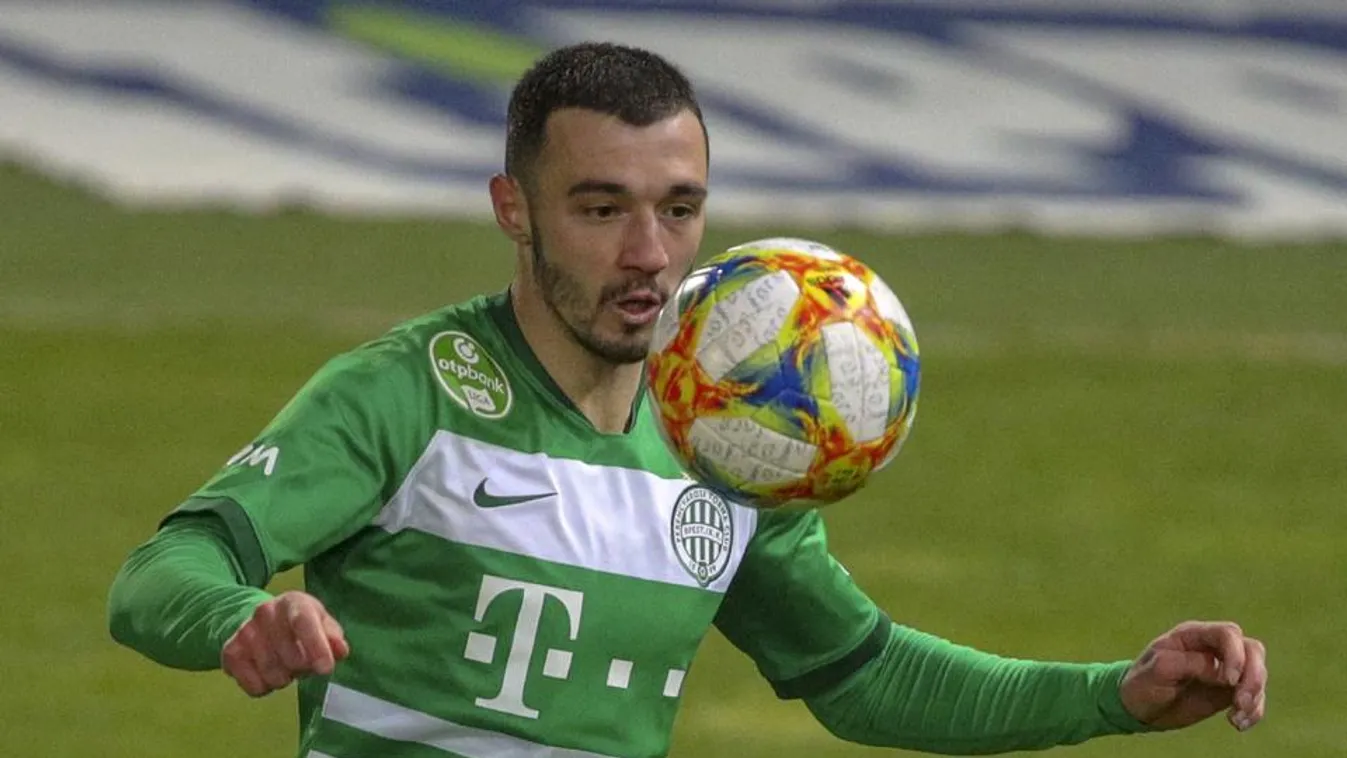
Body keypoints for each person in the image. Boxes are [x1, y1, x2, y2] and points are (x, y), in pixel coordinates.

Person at [107, 42, 1267, 758]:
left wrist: (1115, 693)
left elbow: (865, 674)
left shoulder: (731, 436)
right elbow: (163, 570)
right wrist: (238, 617)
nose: (650, 255)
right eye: (601, 208)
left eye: (679, 207)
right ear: (514, 209)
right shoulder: (406, 395)